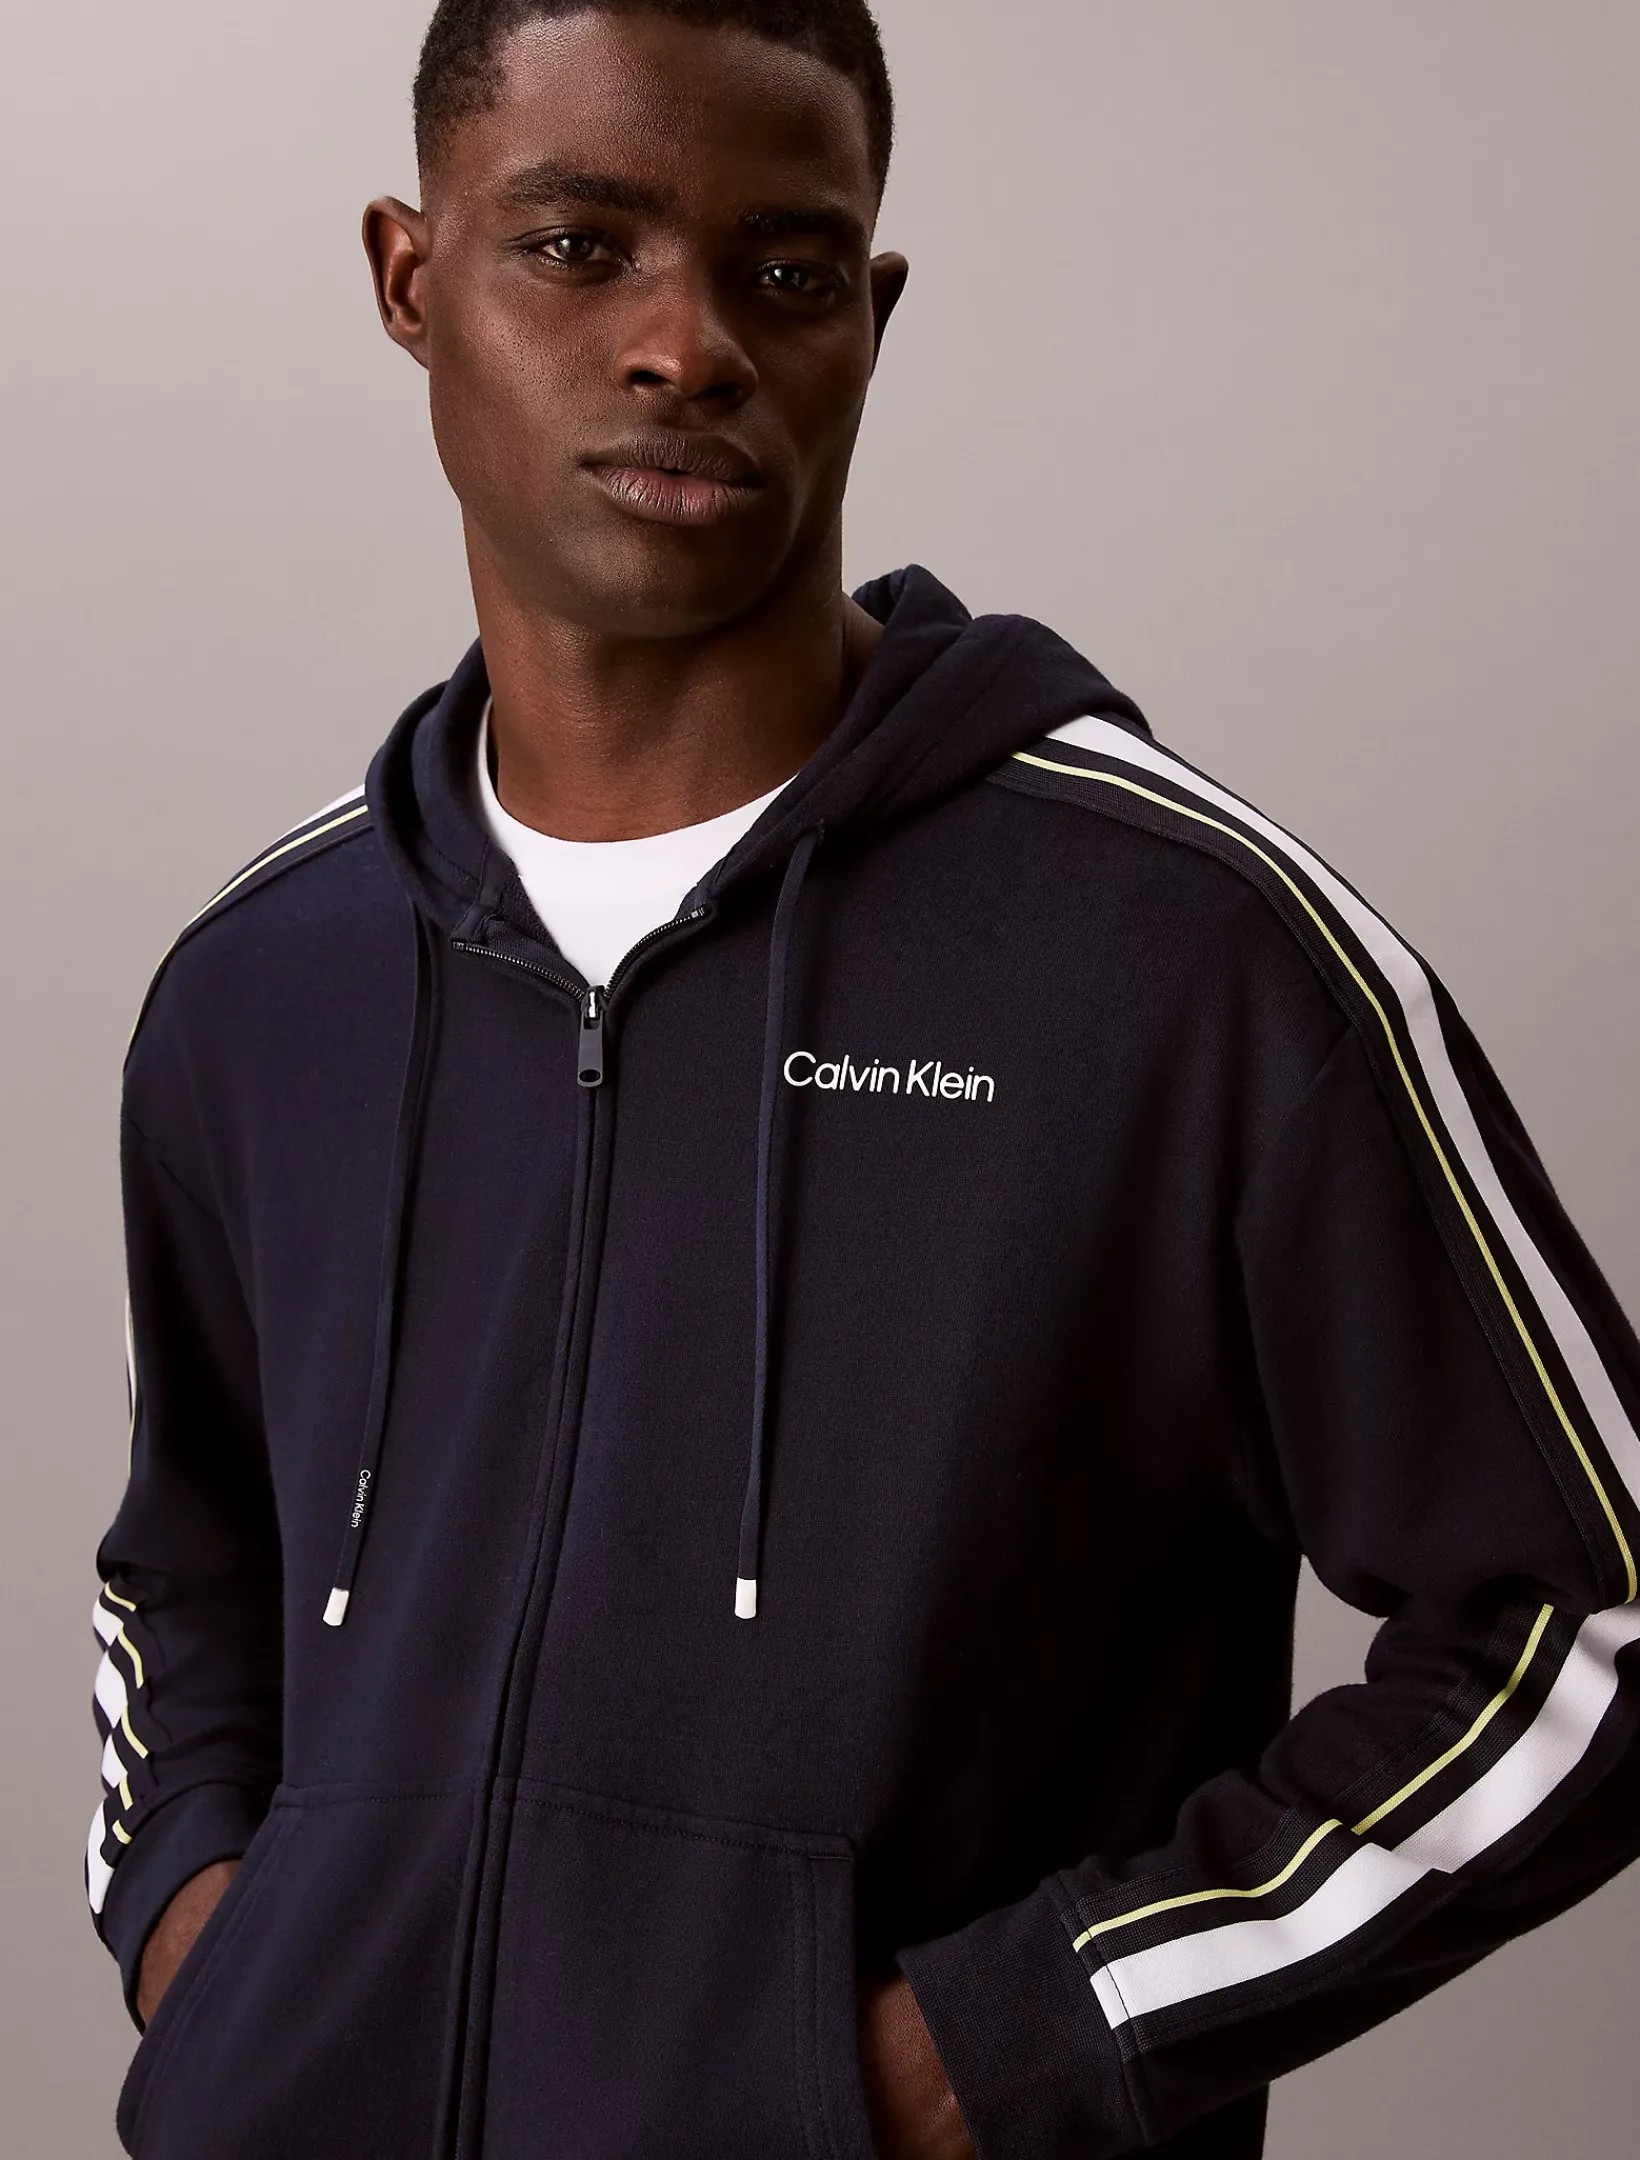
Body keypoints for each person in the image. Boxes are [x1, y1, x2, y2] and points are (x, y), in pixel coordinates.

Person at [86, 3, 1640, 2155]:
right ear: (411, 279)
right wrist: (209, 1941)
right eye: (579, 247)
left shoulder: (1188, 959)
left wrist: (984, 2055)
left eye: (787, 272)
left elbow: (1591, 1626)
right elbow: (184, 1573)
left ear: (871, 318)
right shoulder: (265, 989)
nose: (687, 345)